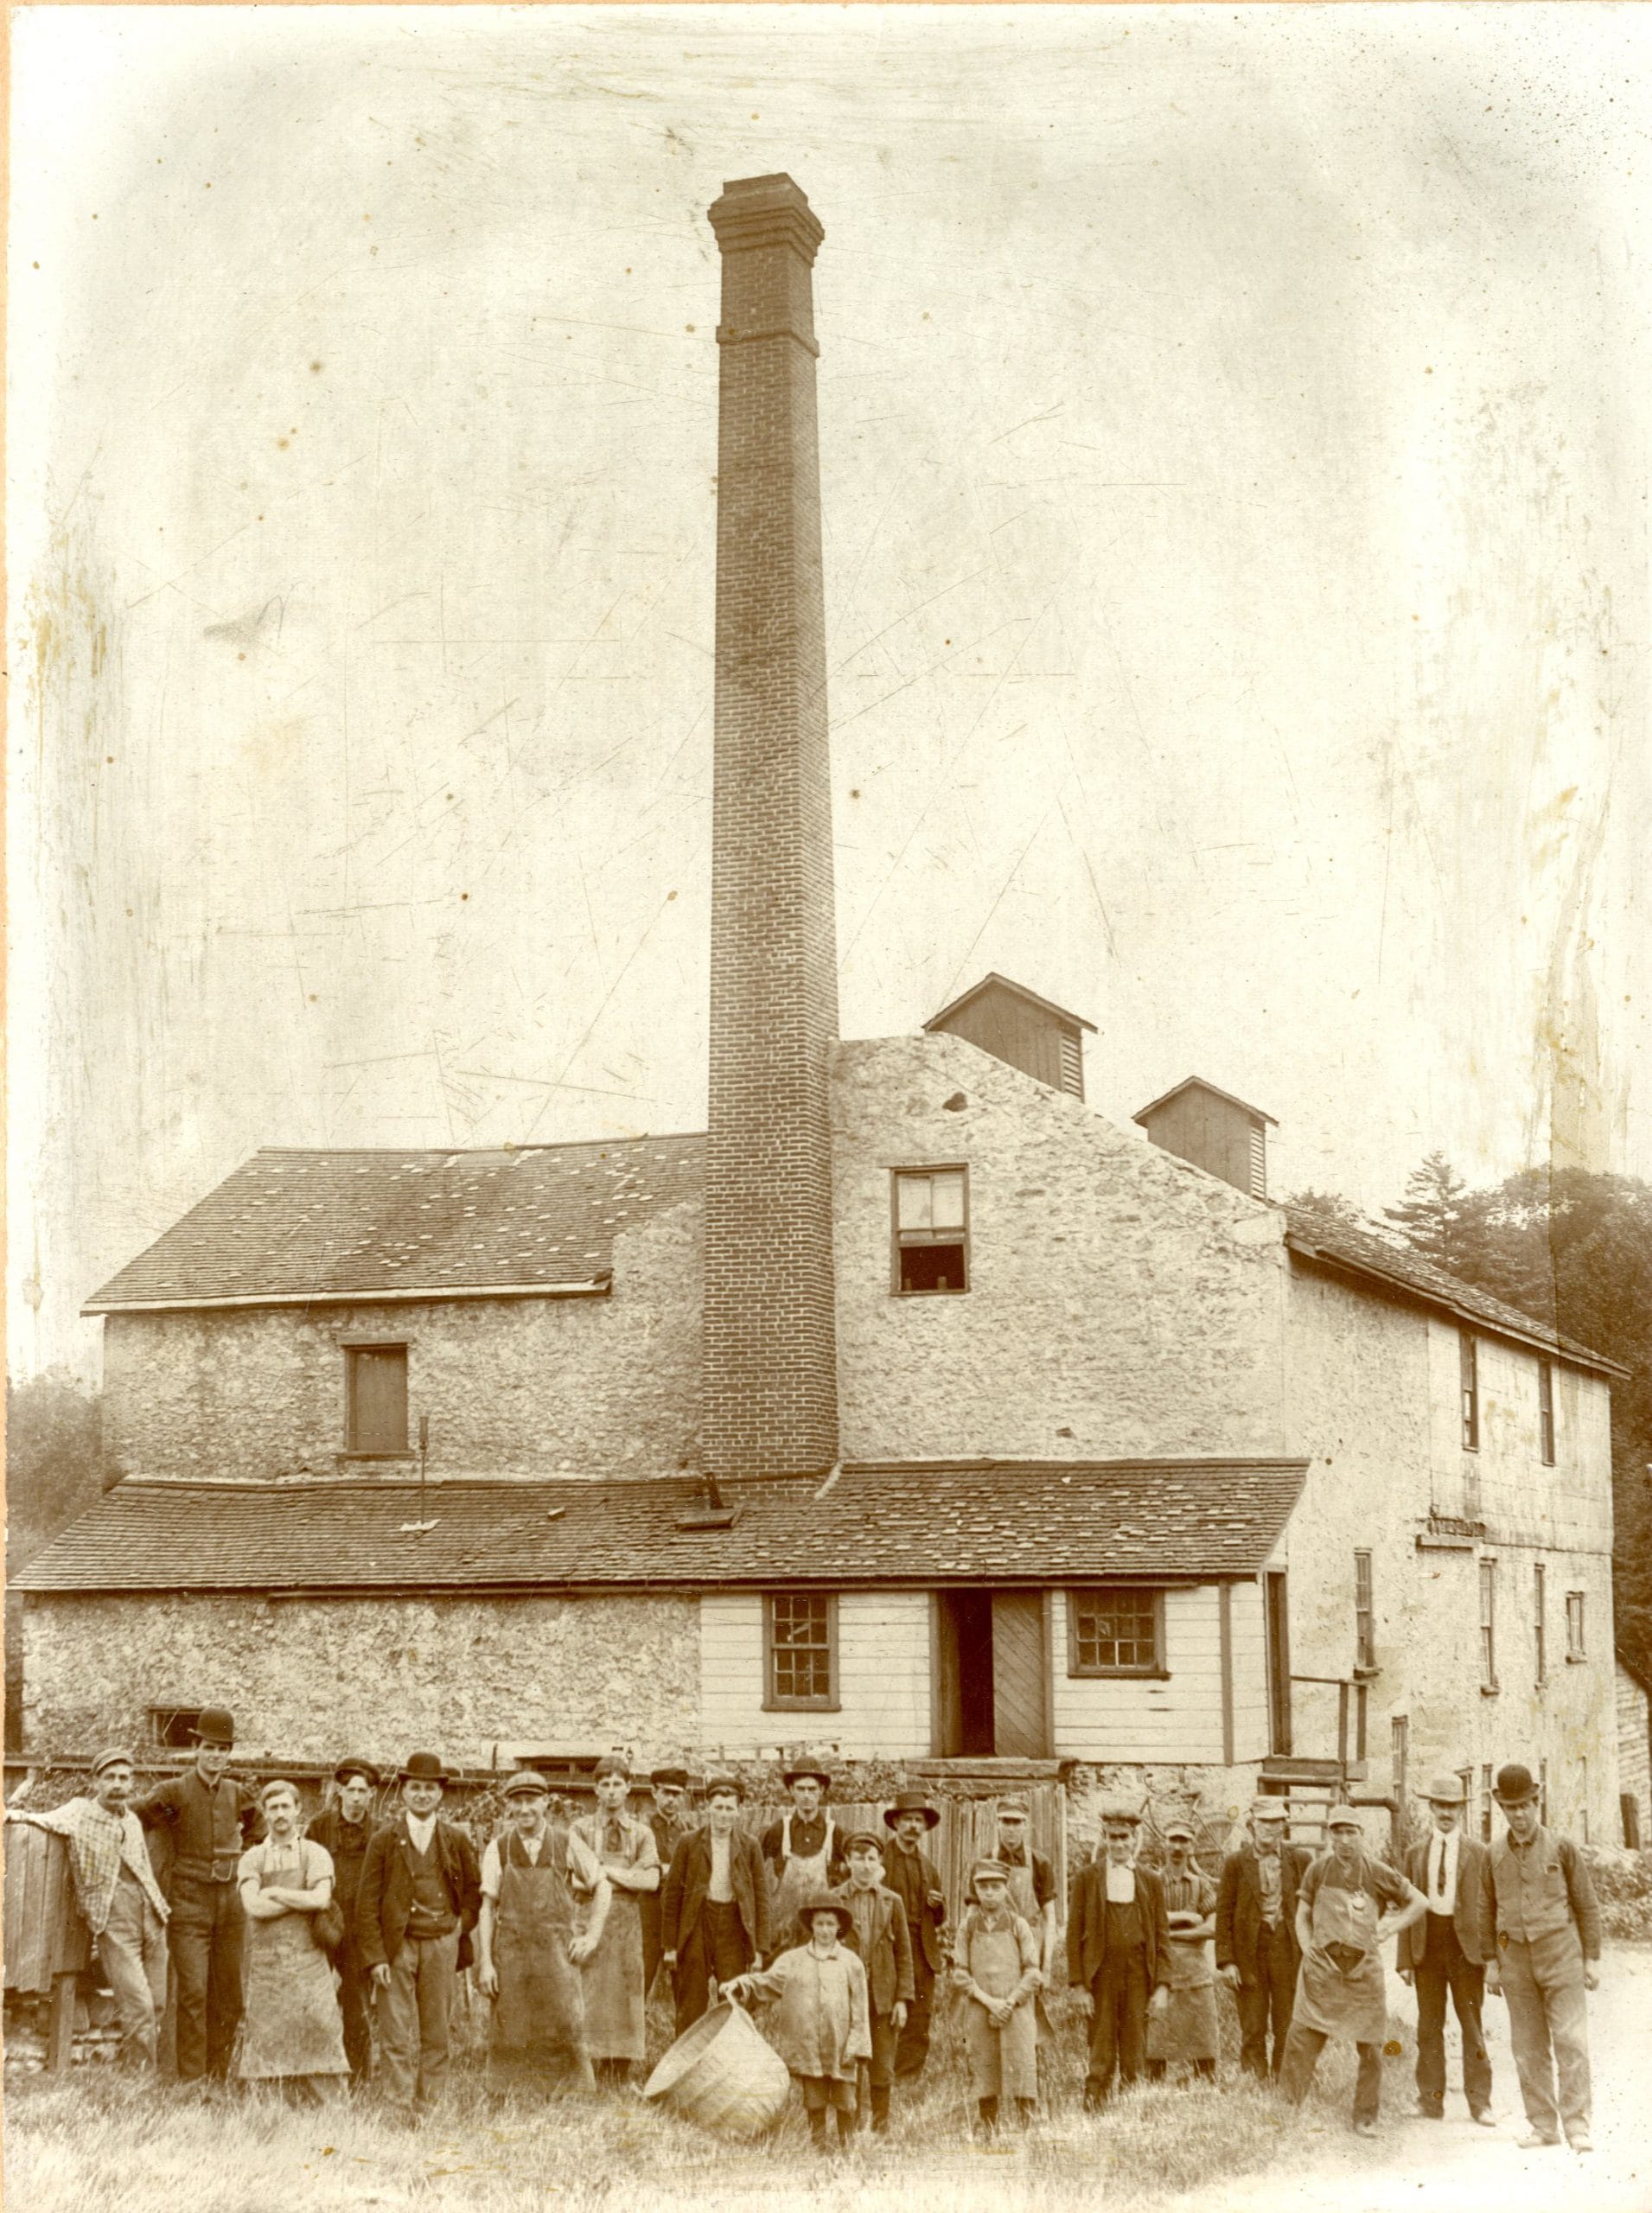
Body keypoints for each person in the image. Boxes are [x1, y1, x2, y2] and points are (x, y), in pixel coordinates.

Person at [6, 1746, 171, 2070]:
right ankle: (142, 2078)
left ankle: (138, 2066)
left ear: (132, 1783)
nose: (117, 1784)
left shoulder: (133, 1820)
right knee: (137, 2003)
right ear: (96, 1781)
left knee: (159, 2002)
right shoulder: (79, 1812)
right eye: (110, 1777)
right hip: (113, 1917)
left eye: (124, 1778)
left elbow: (143, 1869)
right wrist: (11, 1814)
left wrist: (157, 1913)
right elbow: (41, 1820)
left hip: (151, 1915)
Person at [1279, 1805, 1426, 2138]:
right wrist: (1308, 1951)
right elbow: (1301, 1916)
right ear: (1330, 1835)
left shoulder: (1377, 1871)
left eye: (1351, 1833)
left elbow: (1419, 1902)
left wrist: (1390, 1928)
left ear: (1362, 1835)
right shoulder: (1317, 1870)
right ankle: (1288, 2109)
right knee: (1301, 2038)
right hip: (1322, 1971)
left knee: (1371, 2047)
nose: (1344, 1841)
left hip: (1363, 1972)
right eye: (1338, 1833)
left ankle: (1365, 2116)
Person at [1478, 1761, 1602, 2153]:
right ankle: (1543, 2126)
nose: (1519, 1815)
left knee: (1571, 2041)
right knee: (1528, 2047)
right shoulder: (1492, 1853)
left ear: (1537, 1802)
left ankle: (1577, 2126)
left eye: (1525, 1805)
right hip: (1514, 1959)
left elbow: (1586, 1904)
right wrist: (1492, 1962)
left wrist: (1592, 1958)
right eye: (1511, 1808)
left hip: (1561, 1954)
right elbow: (1486, 1909)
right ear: (1502, 1809)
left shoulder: (1562, 1847)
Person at [355, 1751, 482, 2125]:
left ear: (440, 1794)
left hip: (442, 1943)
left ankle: (432, 2104)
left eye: (429, 1789)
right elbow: (367, 1903)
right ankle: (397, 2105)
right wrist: (377, 1957)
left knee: (436, 2030)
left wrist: (461, 1926)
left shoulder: (455, 1839)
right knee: (395, 2030)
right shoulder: (384, 1840)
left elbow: (474, 1891)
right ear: (404, 1793)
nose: (422, 1795)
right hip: (398, 1947)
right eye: (415, 1788)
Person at [133, 1706, 258, 2082]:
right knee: (192, 1993)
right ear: (196, 1749)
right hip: (188, 1904)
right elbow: (133, 1816)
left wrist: (246, 1863)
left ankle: (218, 2075)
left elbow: (259, 1832)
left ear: (228, 1754)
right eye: (209, 1748)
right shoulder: (173, 1792)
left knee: (230, 1997)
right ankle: (191, 2079)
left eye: (223, 1749)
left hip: (231, 1906)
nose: (216, 1756)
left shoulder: (238, 1793)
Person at [475, 1769, 607, 2096]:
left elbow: (602, 1886)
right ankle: (510, 2093)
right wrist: (487, 1962)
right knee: (511, 2022)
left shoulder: (566, 1841)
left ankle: (570, 2092)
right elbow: (487, 1907)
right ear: (509, 1807)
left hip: (556, 1952)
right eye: (517, 1802)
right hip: (513, 1951)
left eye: (531, 1801)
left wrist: (591, 1936)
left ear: (545, 1802)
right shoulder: (499, 1847)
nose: (524, 1809)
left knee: (564, 2020)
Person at [726, 1897, 871, 2155]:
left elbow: (860, 2011)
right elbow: (767, 1982)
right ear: (811, 1927)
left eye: (830, 1924)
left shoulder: (851, 1963)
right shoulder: (793, 1960)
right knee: (814, 2097)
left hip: (841, 2044)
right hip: (808, 2043)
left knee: (845, 2099)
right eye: (819, 1924)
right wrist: (741, 1983)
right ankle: (819, 2148)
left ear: (838, 1928)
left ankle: (847, 2151)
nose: (825, 1930)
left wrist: (857, 2043)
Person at [236, 1777, 350, 2102]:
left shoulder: (316, 1853)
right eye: (273, 1808)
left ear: (299, 1809)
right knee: (267, 2034)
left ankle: (328, 2106)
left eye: (286, 1806)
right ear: (265, 1813)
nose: (280, 1813)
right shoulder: (252, 1858)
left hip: (309, 1963)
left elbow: (321, 1900)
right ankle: (270, 2108)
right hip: (267, 1966)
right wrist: (297, 1898)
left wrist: (275, 1891)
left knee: (321, 2028)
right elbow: (253, 1906)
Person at [1398, 1773, 1494, 2127]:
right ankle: (1431, 2101)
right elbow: (1405, 1907)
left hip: (1466, 1948)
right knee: (1428, 2026)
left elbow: (1490, 1906)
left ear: (1460, 1811)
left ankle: (1481, 2103)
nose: (1446, 1813)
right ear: (1431, 1808)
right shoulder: (1414, 1854)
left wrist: (1490, 1956)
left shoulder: (1479, 1853)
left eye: (1453, 1806)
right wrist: (1405, 1959)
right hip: (1429, 1945)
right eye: (1440, 1806)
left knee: (1472, 2026)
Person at [1068, 1802, 1170, 2108]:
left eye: (1124, 1837)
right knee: (1100, 2040)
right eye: (1113, 1837)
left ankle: (1130, 2105)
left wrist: (1163, 1984)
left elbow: (1162, 1935)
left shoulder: (1150, 1880)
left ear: (1135, 1838)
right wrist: (1078, 1985)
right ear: (1104, 1838)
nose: (1119, 1844)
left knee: (1135, 2041)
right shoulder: (1087, 1878)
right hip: (1101, 1974)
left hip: (1138, 1973)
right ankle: (1095, 2101)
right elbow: (1073, 1935)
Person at [570, 1755, 659, 2083]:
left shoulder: (641, 1833)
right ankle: (589, 2068)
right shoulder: (579, 1829)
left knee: (625, 1994)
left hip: (626, 1925)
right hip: (588, 1921)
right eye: (604, 1785)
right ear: (595, 1789)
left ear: (629, 1787)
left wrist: (602, 1871)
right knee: (589, 1993)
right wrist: (627, 1875)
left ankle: (619, 2070)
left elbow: (651, 1881)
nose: (611, 1792)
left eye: (617, 1784)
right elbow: (576, 1880)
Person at [661, 1773, 770, 2034]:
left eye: (729, 1808)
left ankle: (731, 2066)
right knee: (691, 2000)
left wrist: (759, 1949)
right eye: (718, 1807)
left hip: (733, 1926)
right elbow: (672, 1894)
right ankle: (686, 2064)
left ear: (738, 1812)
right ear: (708, 1808)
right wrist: (670, 1946)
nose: (723, 1814)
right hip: (698, 1922)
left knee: (733, 1999)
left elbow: (761, 1899)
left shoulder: (750, 1846)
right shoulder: (689, 1843)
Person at [1215, 1796, 1311, 2080]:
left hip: (1287, 1950)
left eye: (1277, 1821)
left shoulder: (1299, 1860)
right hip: (1249, 1954)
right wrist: (1227, 1961)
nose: (1272, 1827)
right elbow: (1223, 1914)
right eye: (1265, 1821)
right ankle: (1254, 2079)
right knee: (1253, 2022)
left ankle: (1285, 2078)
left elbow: (1312, 1910)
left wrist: (1309, 1954)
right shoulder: (1235, 1863)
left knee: (1287, 2019)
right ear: (1251, 1825)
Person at [831, 1830, 915, 2133]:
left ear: (879, 1863)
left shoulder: (893, 1902)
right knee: (849, 2060)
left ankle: (880, 2127)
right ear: (847, 1861)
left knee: (881, 2063)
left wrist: (902, 1999)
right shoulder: (834, 1900)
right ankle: (848, 2129)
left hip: (883, 1996)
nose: (865, 1866)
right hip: (846, 1997)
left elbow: (904, 1953)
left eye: (871, 1859)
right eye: (858, 1858)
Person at [305, 1757, 383, 2085]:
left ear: (371, 1796)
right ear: (340, 1791)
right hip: (323, 1928)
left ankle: (358, 2080)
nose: (355, 1797)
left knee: (356, 2011)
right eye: (350, 1790)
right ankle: (314, 2076)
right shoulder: (319, 1827)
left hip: (360, 1932)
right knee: (316, 2005)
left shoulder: (380, 1833)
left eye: (362, 1791)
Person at [952, 1859, 1042, 2134]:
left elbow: (1033, 1972)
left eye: (996, 1886)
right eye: (984, 1887)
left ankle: (1027, 2127)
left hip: (1017, 2007)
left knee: (1022, 2062)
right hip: (981, 2007)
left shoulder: (1019, 1925)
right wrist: (989, 2002)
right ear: (976, 1891)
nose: (990, 1893)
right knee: (984, 2062)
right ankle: (988, 2126)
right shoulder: (967, 1928)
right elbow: (960, 1973)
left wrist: (1010, 2002)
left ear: (1006, 1889)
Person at [880, 1791, 947, 2081]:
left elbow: (939, 1919)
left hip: (921, 1948)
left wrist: (939, 1906)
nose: (913, 1826)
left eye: (918, 1821)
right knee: (883, 2011)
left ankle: (907, 2078)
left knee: (919, 2015)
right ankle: (880, 2073)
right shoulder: (880, 1861)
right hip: (889, 1944)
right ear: (895, 1822)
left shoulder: (929, 1867)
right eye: (907, 1819)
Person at [1146, 1816, 1218, 2083]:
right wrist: (1184, 1916)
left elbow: (1212, 1928)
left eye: (1183, 1841)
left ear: (1192, 1846)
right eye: (1172, 1840)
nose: (1177, 1847)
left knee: (1203, 2029)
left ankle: (1205, 2082)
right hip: (1161, 1966)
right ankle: (1154, 2084)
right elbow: (1147, 1921)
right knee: (1157, 2029)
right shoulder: (1151, 1882)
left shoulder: (1202, 1885)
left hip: (1195, 1970)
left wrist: (1171, 1932)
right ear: (1163, 1844)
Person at [761, 1765, 846, 1937]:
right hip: (783, 1931)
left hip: (821, 1931)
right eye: (801, 1789)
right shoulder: (777, 1831)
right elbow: (755, 1874)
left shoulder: (835, 1833)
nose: (806, 1795)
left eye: (812, 1789)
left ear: (821, 1790)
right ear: (791, 1790)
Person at [641, 1768, 692, 1996]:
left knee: (683, 1981)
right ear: (654, 1793)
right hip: (648, 1911)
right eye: (666, 1793)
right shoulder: (641, 1830)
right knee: (643, 1972)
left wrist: (664, 1870)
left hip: (680, 1912)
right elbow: (639, 1867)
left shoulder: (689, 1832)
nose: (671, 1799)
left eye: (677, 1794)